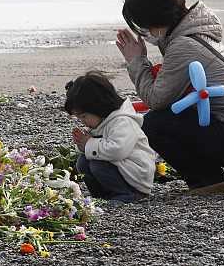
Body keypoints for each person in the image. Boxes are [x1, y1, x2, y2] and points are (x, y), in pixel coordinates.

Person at [116, 0, 224, 195]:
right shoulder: (194, 33)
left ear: (152, 21)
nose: (144, 33)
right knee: (166, 119)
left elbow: (155, 100)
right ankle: (210, 181)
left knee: (155, 123)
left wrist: (136, 61)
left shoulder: (184, 45)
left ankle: (209, 183)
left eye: (143, 26)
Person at [64, 70, 156, 202]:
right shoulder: (102, 121)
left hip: (136, 175)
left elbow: (117, 150)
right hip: (121, 168)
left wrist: (89, 144)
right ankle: (102, 195)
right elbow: (97, 148)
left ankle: (127, 194)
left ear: (98, 107)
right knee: (82, 162)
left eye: (84, 116)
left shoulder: (122, 121)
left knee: (97, 164)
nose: (82, 121)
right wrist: (82, 144)